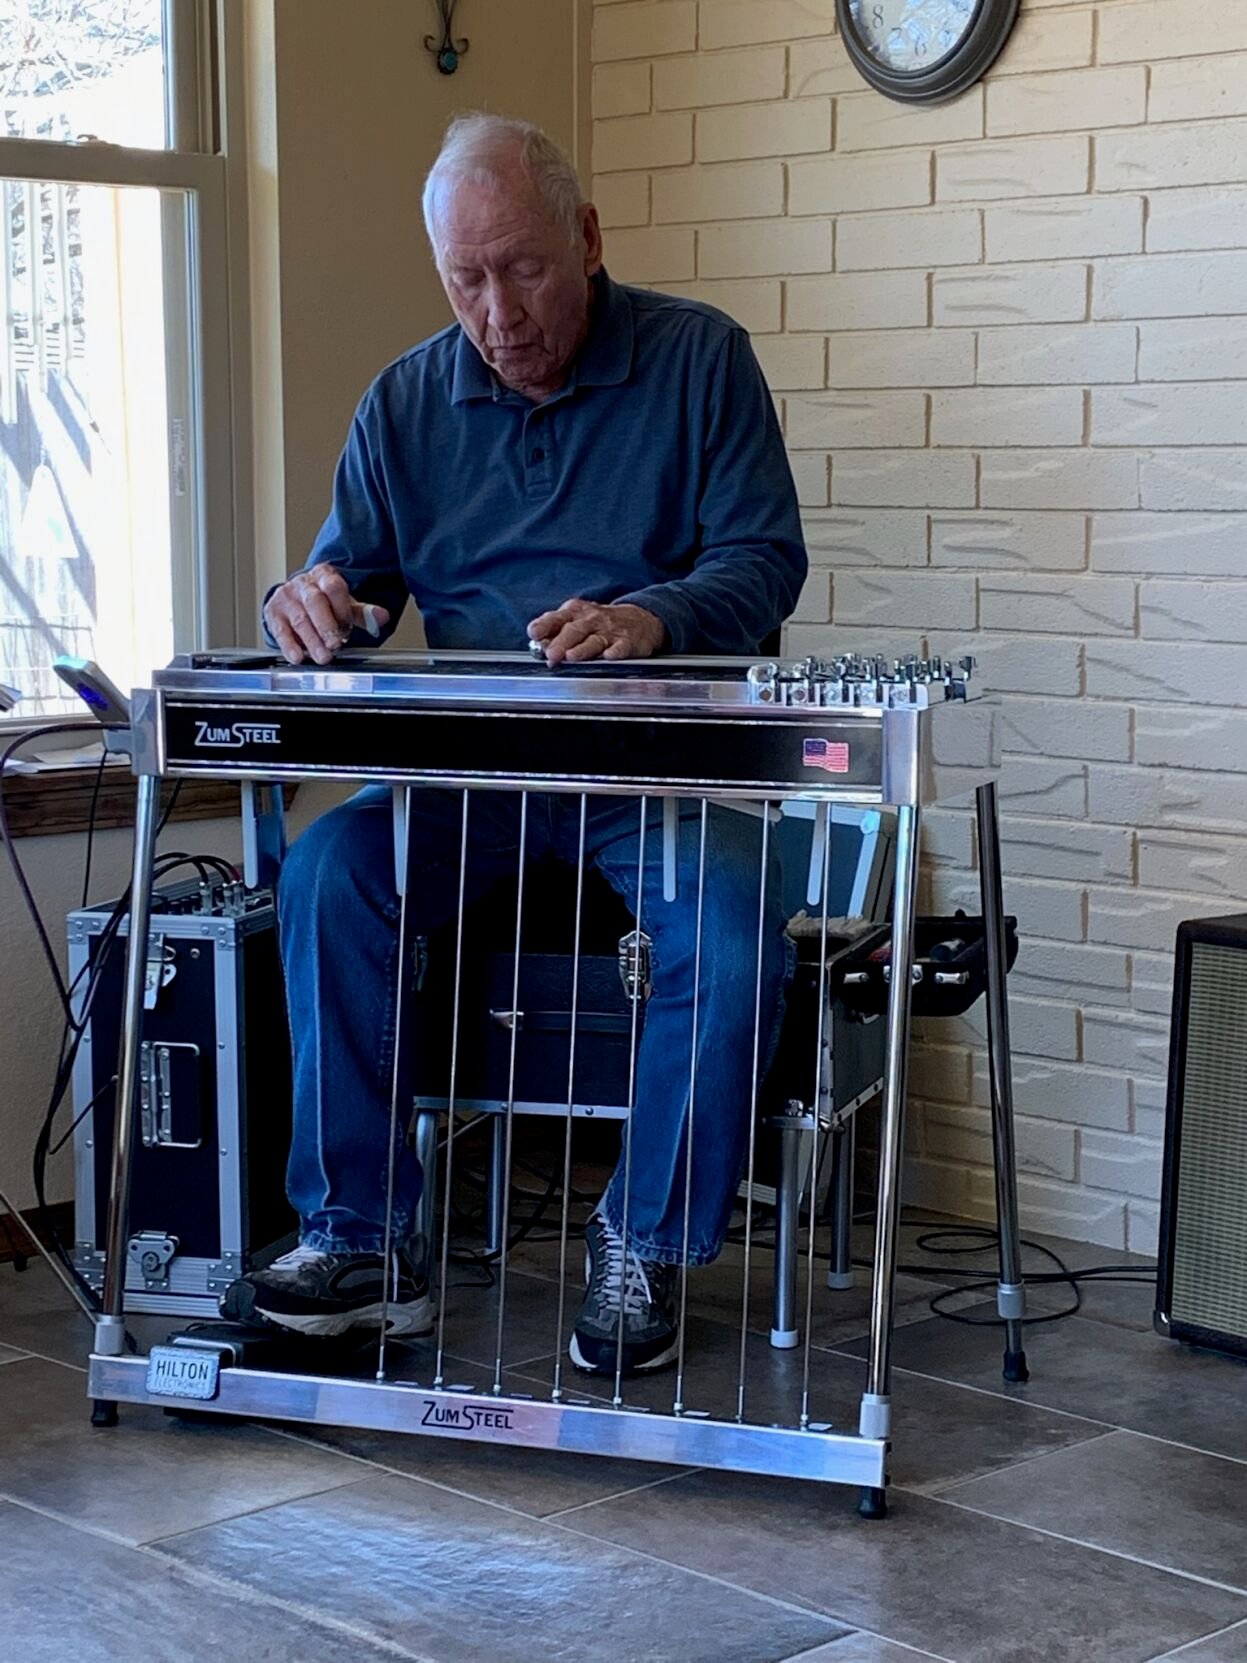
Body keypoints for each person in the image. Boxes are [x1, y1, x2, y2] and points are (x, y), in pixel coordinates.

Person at [222, 114, 807, 1375]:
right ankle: (362, 1237)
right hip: (470, 778)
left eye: (523, 268)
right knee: (329, 871)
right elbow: (357, 582)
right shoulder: (404, 402)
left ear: (587, 240)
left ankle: (644, 1242)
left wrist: (650, 617)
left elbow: (762, 563)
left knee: (726, 914)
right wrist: (312, 597)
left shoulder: (701, 362)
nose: (498, 311)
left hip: (649, 776)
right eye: (464, 279)